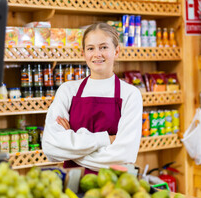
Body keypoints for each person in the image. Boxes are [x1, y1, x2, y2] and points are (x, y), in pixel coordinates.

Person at [42, 22, 143, 173]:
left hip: (114, 186)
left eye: (104, 47)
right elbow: (51, 146)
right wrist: (106, 140)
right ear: (84, 53)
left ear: (116, 51)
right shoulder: (68, 90)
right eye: (91, 48)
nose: (97, 54)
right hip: (73, 185)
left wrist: (73, 152)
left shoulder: (130, 94)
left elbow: (124, 156)